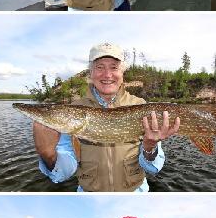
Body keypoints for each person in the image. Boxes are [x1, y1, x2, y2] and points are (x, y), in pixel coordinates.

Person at [30, 42, 180, 191]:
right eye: (99, 67)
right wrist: (47, 153)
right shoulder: (74, 110)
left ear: (122, 73)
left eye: (114, 67)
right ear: (91, 73)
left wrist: (149, 147)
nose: (107, 75)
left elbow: (154, 168)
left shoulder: (141, 106)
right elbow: (64, 173)